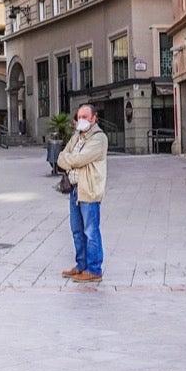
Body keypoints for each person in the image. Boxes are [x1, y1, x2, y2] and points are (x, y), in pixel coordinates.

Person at [58, 103, 108, 283]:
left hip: (89, 190)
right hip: (74, 190)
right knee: (77, 230)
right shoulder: (76, 137)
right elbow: (61, 156)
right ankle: (81, 265)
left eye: (85, 117)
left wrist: (68, 160)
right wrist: (68, 159)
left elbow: (79, 159)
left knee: (90, 231)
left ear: (94, 118)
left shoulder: (98, 138)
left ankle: (94, 269)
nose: (81, 120)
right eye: (79, 117)